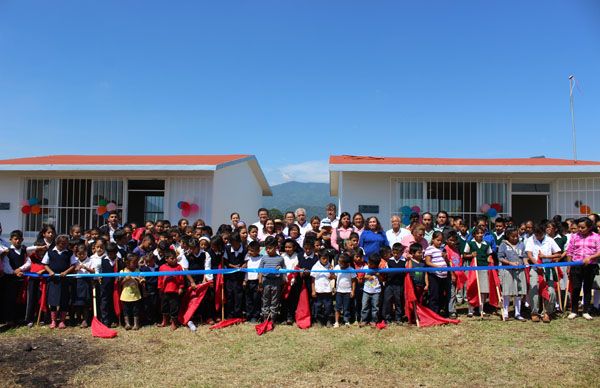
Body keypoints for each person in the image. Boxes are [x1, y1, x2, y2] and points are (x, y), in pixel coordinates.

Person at [525, 224, 561, 323]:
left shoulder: (550, 240)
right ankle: (534, 313)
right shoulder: (530, 239)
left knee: (551, 291)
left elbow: (558, 253)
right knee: (533, 288)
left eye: (540, 234)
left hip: (548, 268)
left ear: (544, 232)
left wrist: (546, 256)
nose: (538, 236)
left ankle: (547, 313)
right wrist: (537, 264)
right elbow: (529, 254)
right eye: (536, 234)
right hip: (535, 268)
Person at [566, 217, 600, 320]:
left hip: (590, 266)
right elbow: (569, 251)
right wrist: (569, 265)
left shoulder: (596, 237)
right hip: (576, 266)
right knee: (576, 288)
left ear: (589, 227)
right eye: (579, 227)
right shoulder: (574, 236)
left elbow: (599, 252)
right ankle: (574, 311)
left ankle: (586, 311)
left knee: (587, 288)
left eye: (583, 227)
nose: (580, 229)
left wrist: (590, 257)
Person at [42, 235, 77, 329]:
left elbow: (73, 265)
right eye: (62, 243)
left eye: (66, 243)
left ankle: (62, 321)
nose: (64, 245)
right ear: (57, 243)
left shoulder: (69, 253)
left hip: (64, 280)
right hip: (53, 280)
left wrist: (65, 272)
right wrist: (50, 272)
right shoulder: (50, 252)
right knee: (53, 301)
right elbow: (45, 264)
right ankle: (53, 321)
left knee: (64, 300)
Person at [15, 239, 48, 327]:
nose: (41, 252)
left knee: (41, 299)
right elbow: (27, 255)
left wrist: (44, 270)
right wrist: (20, 269)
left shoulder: (47, 256)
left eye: (43, 250)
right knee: (31, 300)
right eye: (39, 250)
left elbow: (50, 266)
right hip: (32, 281)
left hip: (43, 281)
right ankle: (29, 319)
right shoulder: (32, 256)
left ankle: (41, 318)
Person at [497, 228, 527, 321]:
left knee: (518, 292)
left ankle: (517, 313)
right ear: (508, 236)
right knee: (507, 292)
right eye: (512, 236)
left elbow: (524, 256)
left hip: (519, 270)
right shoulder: (503, 245)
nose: (515, 238)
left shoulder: (521, 244)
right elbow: (500, 257)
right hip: (508, 270)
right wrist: (510, 263)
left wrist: (525, 263)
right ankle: (505, 313)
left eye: (516, 236)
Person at [462, 226, 492, 317]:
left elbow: (489, 254)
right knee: (472, 288)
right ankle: (470, 310)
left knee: (483, 290)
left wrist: (489, 258)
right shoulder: (470, 243)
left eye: (481, 233)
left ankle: (481, 309)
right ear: (474, 234)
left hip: (483, 268)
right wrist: (471, 255)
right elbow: (464, 255)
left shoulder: (486, 244)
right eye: (477, 233)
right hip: (473, 269)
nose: (480, 235)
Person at [1, 230, 27, 326]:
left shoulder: (24, 250)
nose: (17, 241)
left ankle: (19, 318)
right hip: (10, 279)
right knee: (10, 299)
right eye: (15, 239)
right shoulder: (8, 251)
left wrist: (21, 269)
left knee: (20, 299)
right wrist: (13, 272)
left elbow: (28, 262)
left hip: (22, 278)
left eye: (19, 239)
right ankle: (9, 319)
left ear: (22, 239)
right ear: (11, 240)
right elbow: (6, 264)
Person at [258, 236, 285, 323]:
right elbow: (260, 271)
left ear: (276, 247)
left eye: (270, 248)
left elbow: (284, 271)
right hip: (266, 281)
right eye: (267, 248)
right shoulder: (264, 258)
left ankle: (273, 318)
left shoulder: (280, 258)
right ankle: (265, 317)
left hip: (276, 282)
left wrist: (280, 269)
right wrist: (260, 282)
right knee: (265, 300)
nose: (268, 250)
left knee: (274, 300)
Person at [424, 231, 451, 316]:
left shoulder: (443, 249)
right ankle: (433, 313)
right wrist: (437, 267)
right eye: (437, 240)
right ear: (433, 239)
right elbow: (427, 262)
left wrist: (445, 258)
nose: (439, 242)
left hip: (444, 275)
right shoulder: (429, 249)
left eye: (441, 240)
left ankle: (440, 312)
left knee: (442, 295)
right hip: (434, 275)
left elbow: (447, 262)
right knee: (434, 295)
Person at [157, 249, 184, 330]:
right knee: (164, 307)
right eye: (172, 258)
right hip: (164, 291)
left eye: (175, 258)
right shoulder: (162, 267)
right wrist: (160, 289)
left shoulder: (179, 267)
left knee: (174, 308)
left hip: (174, 291)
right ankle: (164, 321)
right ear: (166, 259)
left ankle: (173, 323)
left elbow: (181, 279)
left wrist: (181, 287)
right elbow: (160, 279)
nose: (174, 260)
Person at [99, 242, 124, 327]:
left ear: (116, 252)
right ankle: (105, 321)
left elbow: (122, 272)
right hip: (105, 286)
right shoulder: (103, 259)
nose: (110, 255)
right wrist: (98, 276)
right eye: (109, 253)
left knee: (115, 302)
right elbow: (98, 270)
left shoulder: (120, 261)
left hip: (116, 286)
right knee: (105, 303)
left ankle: (115, 320)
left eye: (112, 253)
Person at [311, 248, 335, 327]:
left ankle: (328, 320)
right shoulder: (315, 267)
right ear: (319, 258)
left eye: (327, 258)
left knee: (328, 306)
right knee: (317, 306)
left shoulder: (330, 266)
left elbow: (334, 277)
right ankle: (318, 320)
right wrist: (313, 290)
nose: (325, 260)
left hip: (328, 290)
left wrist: (332, 274)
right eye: (323, 258)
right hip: (319, 291)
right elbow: (313, 280)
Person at [224, 231, 246, 319]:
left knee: (239, 296)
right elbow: (225, 261)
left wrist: (242, 267)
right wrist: (233, 266)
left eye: (235, 243)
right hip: (229, 277)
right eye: (232, 243)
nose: (234, 245)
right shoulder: (227, 249)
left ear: (239, 242)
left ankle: (238, 314)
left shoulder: (244, 249)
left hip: (239, 277)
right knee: (229, 295)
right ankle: (230, 314)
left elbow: (246, 261)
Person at [72, 243, 95, 328]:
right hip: (76, 282)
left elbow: (94, 271)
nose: (81, 255)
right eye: (79, 254)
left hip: (86, 282)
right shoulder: (74, 260)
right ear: (76, 253)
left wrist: (85, 268)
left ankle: (85, 320)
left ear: (86, 252)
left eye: (83, 253)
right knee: (77, 302)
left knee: (85, 303)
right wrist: (75, 269)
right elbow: (71, 271)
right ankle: (78, 319)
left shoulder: (90, 260)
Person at [120, 254, 144, 330]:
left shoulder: (137, 271)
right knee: (126, 310)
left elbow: (142, 281)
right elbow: (120, 284)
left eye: (136, 262)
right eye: (134, 262)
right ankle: (127, 324)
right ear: (127, 263)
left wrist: (140, 280)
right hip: (125, 295)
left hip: (136, 294)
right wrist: (126, 279)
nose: (136, 264)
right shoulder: (123, 271)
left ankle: (136, 324)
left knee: (136, 310)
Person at [383, 242, 405, 324]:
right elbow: (385, 272)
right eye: (394, 253)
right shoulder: (389, 261)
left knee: (398, 302)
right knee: (387, 301)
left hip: (399, 284)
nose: (395, 255)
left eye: (398, 253)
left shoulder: (404, 261)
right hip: (389, 284)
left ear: (402, 252)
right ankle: (387, 318)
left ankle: (398, 318)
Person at [360, 253, 383, 327]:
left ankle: (374, 321)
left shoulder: (379, 270)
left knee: (375, 307)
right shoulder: (365, 268)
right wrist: (367, 277)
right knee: (364, 306)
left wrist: (378, 275)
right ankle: (364, 320)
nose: (369, 264)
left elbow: (382, 280)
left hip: (376, 291)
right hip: (366, 291)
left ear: (376, 264)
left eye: (371, 264)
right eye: (369, 262)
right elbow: (361, 277)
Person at [333, 254, 356, 327]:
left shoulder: (351, 270)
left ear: (347, 263)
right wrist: (331, 278)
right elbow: (335, 277)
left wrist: (353, 290)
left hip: (347, 291)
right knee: (337, 307)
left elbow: (353, 281)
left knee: (346, 307)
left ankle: (346, 321)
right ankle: (336, 322)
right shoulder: (337, 267)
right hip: (339, 291)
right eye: (339, 261)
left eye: (341, 262)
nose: (339, 263)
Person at [445, 231, 464, 319]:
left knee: (455, 292)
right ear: (447, 240)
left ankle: (453, 308)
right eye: (450, 240)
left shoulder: (456, 249)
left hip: (458, 274)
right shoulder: (446, 249)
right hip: (450, 274)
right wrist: (452, 274)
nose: (452, 242)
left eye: (454, 240)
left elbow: (459, 261)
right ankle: (451, 311)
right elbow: (448, 263)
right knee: (451, 293)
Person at [281, 239, 300, 325]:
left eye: (290, 247)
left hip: (294, 282)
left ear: (294, 247)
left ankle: (290, 317)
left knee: (292, 300)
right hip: (284, 281)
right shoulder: (282, 256)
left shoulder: (298, 256)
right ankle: (283, 317)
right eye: (286, 247)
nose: (287, 249)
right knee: (284, 300)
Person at [244, 240, 263, 323]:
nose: (250, 252)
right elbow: (246, 270)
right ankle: (249, 315)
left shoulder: (261, 258)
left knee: (256, 299)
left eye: (252, 250)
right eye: (249, 250)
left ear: (258, 250)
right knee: (248, 299)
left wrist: (260, 283)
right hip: (249, 281)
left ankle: (256, 316)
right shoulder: (248, 258)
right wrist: (245, 280)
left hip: (256, 281)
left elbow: (261, 272)